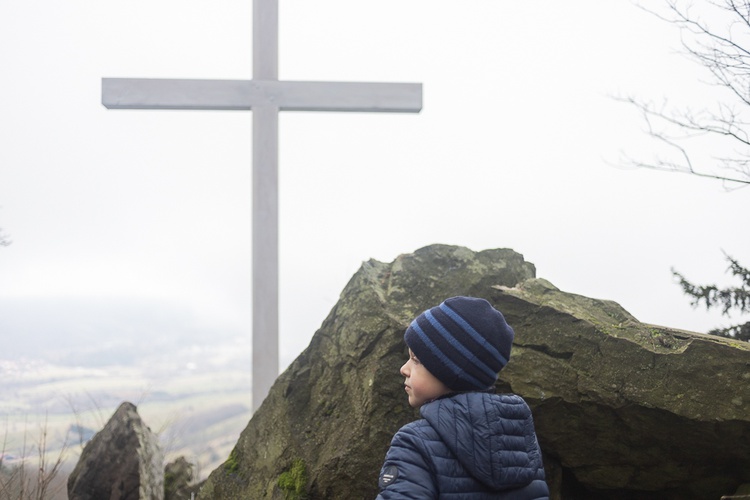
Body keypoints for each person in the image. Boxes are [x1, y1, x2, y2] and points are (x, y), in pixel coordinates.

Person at [376, 296, 550, 499]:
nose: (403, 369)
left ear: (451, 372)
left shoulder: (414, 442)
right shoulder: (519, 440)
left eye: (416, 360)